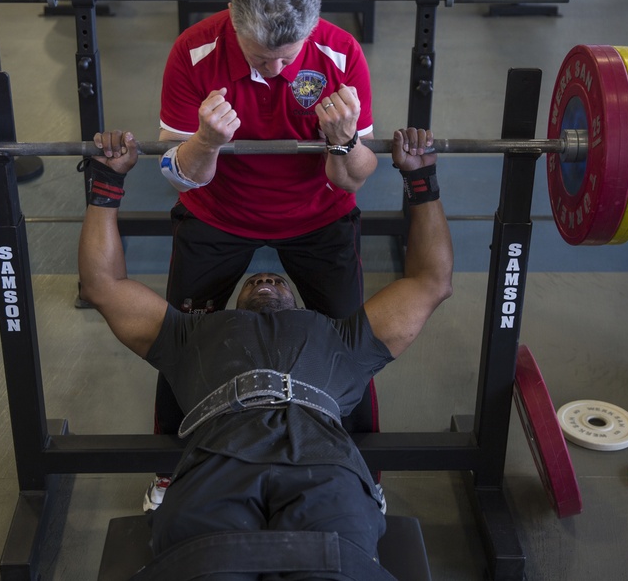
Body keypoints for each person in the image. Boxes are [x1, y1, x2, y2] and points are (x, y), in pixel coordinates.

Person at [78, 127, 452, 579]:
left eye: (276, 280)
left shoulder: (342, 336)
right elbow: (103, 287)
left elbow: (431, 283)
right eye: (254, 281)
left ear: (298, 303)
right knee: (206, 568)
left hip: (324, 466)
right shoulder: (191, 333)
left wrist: (422, 179)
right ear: (233, 306)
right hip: (217, 462)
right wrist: (106, 182)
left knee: (332, 570)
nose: (265, 279)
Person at [150, 0, 381, 509]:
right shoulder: (193, 51)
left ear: (310, 29)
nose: (276, 71)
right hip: (218, 210)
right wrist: (205, 141)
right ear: (233, 21)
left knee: (352, 341)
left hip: (317, 212)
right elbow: (181, 178)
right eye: (260, 57)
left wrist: (343, 142)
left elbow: (351, 181)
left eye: (287, 56)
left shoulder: (340, 52)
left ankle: (362, 464)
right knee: (179, 339)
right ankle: (166, 471)